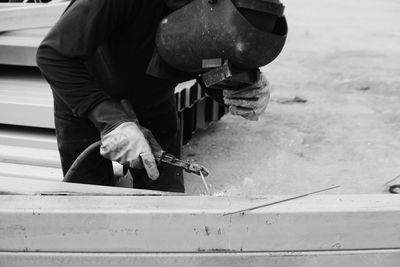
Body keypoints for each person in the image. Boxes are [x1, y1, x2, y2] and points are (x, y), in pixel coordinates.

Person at [36, 0, 270, 193]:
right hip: (88, 99)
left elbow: (203, 66)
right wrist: (111, 120)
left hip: (154, 104)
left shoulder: (218, 8)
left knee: (165, 201)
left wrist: (239, 89)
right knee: (89, 206)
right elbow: (53, 55)